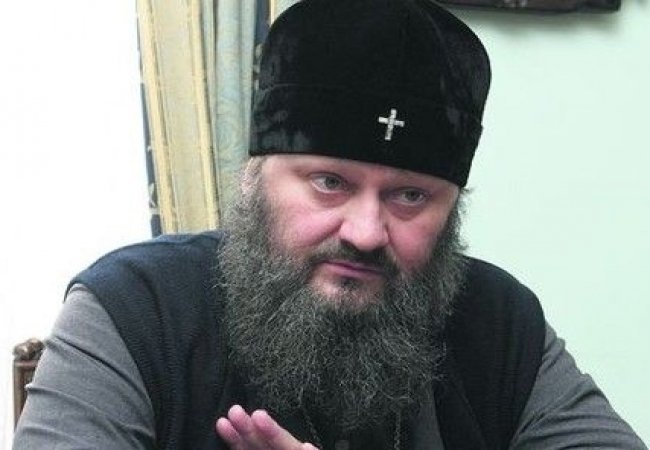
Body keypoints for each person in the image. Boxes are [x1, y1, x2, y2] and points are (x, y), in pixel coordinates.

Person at [13, 0, 647, 449]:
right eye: (329, 183)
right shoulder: (133, 308)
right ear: (254, 177)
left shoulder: (500, 320)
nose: (366, 232)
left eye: (409, 196)